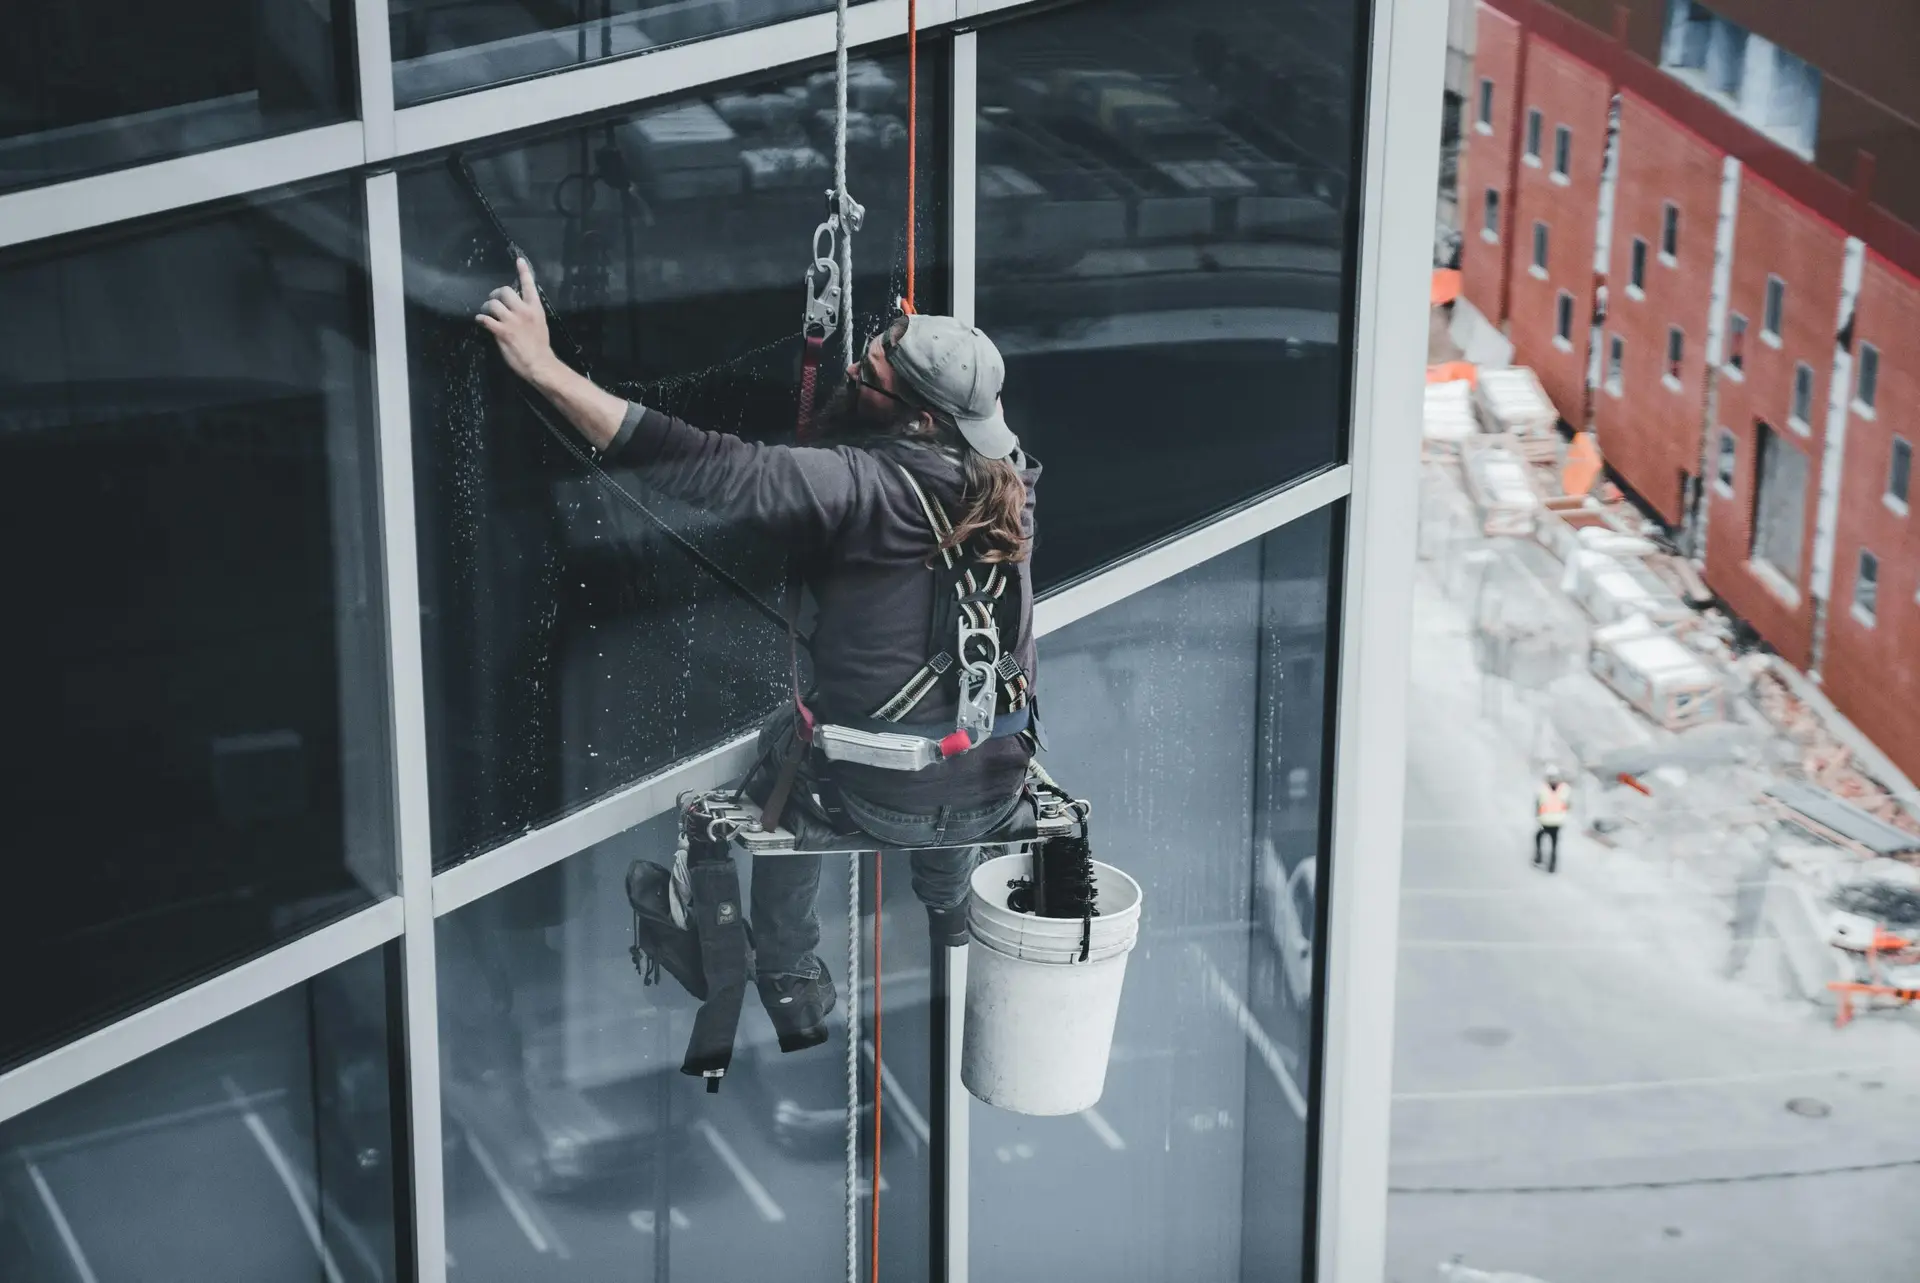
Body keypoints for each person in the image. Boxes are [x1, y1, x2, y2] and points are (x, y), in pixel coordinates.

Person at [478, 259, 1040, 1050]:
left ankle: (790, 974)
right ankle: (949, 902)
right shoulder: (1011, 487)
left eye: (872, 366)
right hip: (993, 783)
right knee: (952, 750)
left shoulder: (857, 490)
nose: (856, 364)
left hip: (885, 796)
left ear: (917, 421)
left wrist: (544, 369)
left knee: (791, 754)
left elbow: (699, 464)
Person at [1533, 765, 1571, 873]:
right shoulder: (1564, 789)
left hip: (1546, 821)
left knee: (1539, 837)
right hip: (1557, 821)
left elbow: (1538, 803)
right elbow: (1567, 804)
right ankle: (1552, 865)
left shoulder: (1544, 789)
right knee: (1554, 843)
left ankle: (1539, 857)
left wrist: (1538, 814)